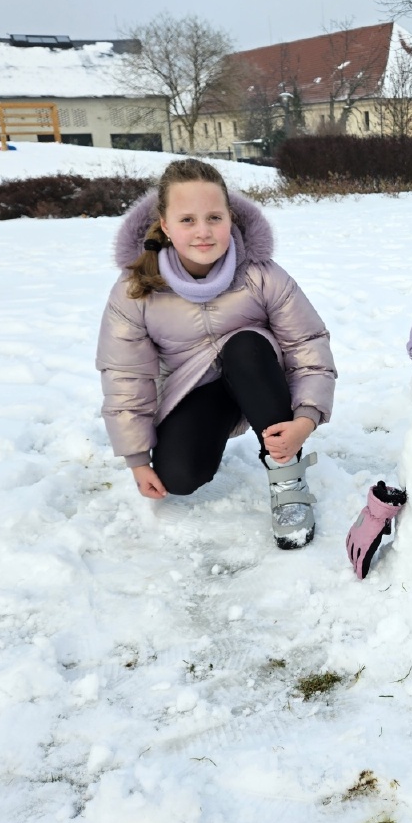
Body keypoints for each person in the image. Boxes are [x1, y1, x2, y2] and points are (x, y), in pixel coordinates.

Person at [96, 158, 336, 549]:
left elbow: (307, 344)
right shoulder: (135, 290)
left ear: (230, 218)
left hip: (259, 374)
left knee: (245, 345)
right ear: (165, 225)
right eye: (187, 220)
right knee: (179, 477)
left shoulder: (261, 274)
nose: (203, 231)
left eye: (214, 218)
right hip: (197, 391)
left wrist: (306, 419)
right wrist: (137, 459)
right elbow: (125, 375)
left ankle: (287, 477)